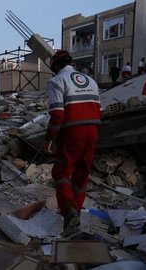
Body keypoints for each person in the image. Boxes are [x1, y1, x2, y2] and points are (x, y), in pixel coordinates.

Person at [44, 50, 101, 236]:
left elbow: (58, 114)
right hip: (93, 131)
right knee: (82, 174)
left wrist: (49, 137)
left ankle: (68, 212)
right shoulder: (90, 81)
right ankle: (75, 214)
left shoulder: (56, 81)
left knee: (61, 172)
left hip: (72, 131)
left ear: (56, 66)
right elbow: (96, 108)